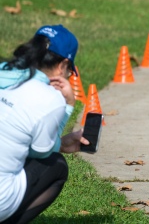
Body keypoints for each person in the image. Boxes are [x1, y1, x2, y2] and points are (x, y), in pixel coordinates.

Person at [0, 25, 88, 223]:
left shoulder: (3, 71)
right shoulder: (49, 98)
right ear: (63, 65)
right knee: (57, 166)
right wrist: (67, 106)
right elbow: (41, 153)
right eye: (70, 71)